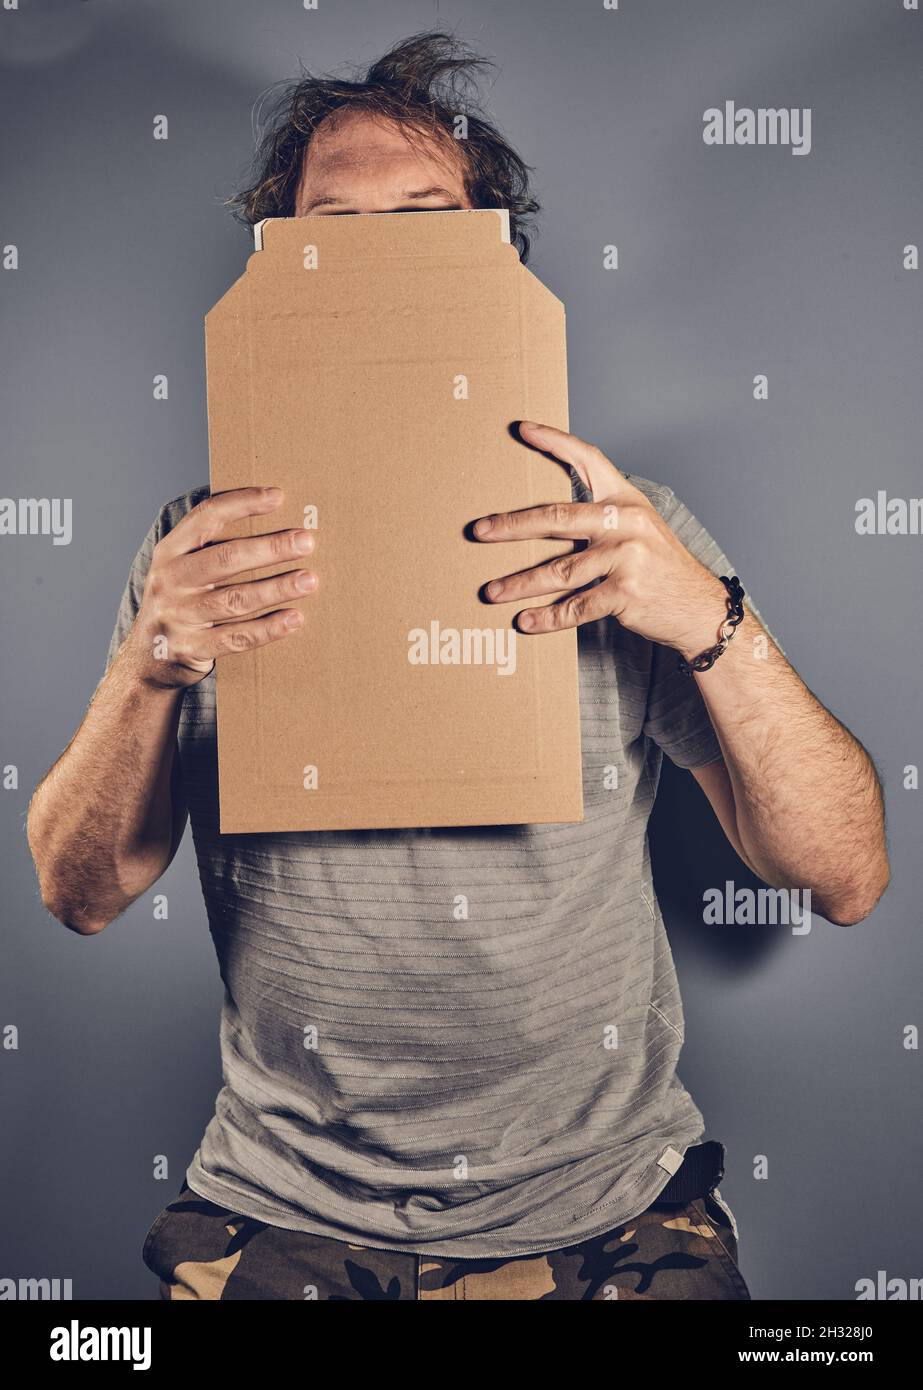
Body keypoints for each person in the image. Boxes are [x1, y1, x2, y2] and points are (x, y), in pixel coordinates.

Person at [26, 31, 888, 1301]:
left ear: (495, 258)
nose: (380, 263)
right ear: (281, 269)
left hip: (604, 1207)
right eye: (337, 228)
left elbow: (843, 875)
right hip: (283, 1207)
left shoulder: (618, 528)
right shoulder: (198, 550)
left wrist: (706, 614)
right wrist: (148, 671)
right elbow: (81, 892)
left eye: (426, 222)